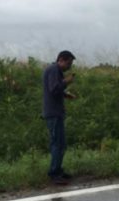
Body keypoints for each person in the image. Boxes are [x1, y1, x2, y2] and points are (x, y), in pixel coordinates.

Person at [42, 50, 76, 184]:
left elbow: (56, 91)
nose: (69, 67)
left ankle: (58, 171)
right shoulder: (53, 70)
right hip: (53, 113)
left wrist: (66, 94)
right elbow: (54, 89)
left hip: (56, 113)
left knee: (61, 144)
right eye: (68, 63)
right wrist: (66, 81)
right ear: (61, 59)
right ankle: (54, 174)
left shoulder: (55, 70)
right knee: (57, 144)